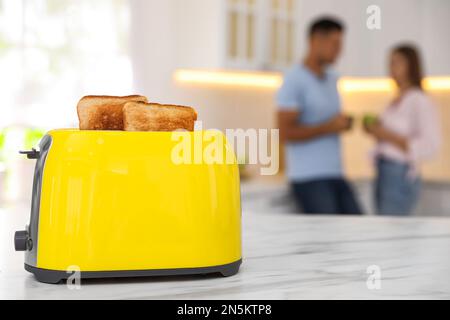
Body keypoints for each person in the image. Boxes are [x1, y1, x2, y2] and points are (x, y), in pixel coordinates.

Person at [277, 17, 363, 215]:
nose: (339, 50)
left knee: (361, 229)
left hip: (336, 173)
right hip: (309, 178)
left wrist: (341, 124)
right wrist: (328, 127)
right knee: (327, 240)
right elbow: (284, 132)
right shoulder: (294, 79)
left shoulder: (332, 78)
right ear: (315, 40)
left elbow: (328, 120)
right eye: (335, 43)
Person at [364, 45, 441, 216]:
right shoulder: (395, 101)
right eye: (390, 62)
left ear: (411, 66)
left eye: (396, 62)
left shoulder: (419, 100)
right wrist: (377, 131)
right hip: (383, 171)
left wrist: (385, 134)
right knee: (383, 227)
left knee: (392, 231)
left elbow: (430, 144)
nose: (391, 68)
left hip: (400, 174)